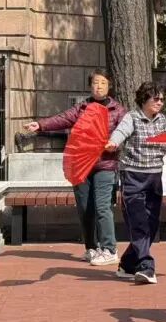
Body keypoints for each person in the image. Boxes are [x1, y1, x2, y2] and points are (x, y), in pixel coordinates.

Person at [22, 69, 126, 265]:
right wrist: (41, 125)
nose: (99, 87)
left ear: (109, 86)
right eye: (95, 83)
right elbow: (62, 118)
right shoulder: (82, 108)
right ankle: (91, 248)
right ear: (90, 86)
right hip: (81, 165)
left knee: (102, 206)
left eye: (103, 83)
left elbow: (124, 132)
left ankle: (109, 249)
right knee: (85, 208)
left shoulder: (118, 110)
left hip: (105, 164)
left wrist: (115, 144)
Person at [105, 81, 166, 285]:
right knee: (139, 223)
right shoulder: (132, 117)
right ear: (144, 99)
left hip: (155, 177)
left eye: (162, 99)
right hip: (133, 177)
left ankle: (128, 264)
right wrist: (113, 142)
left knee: (151, 225)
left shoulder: (162, 120)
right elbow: (121, 132)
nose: (160, 102)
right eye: (156, 98)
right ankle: (146, 266)